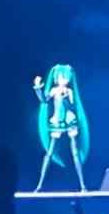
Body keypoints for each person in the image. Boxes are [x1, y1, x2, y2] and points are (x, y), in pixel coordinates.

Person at [33, 64, 90, 192]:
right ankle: (39, 185)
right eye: (60, 78)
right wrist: (38, 88)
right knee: (49, 152)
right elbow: (44, 101)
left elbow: (71, 106)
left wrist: (65, 100)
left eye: (65, 78)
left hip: (69, 120)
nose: (63, 81)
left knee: (75, 152)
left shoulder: (69, 91)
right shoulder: (54, 91)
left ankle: (82, 185)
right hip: (57, 121)